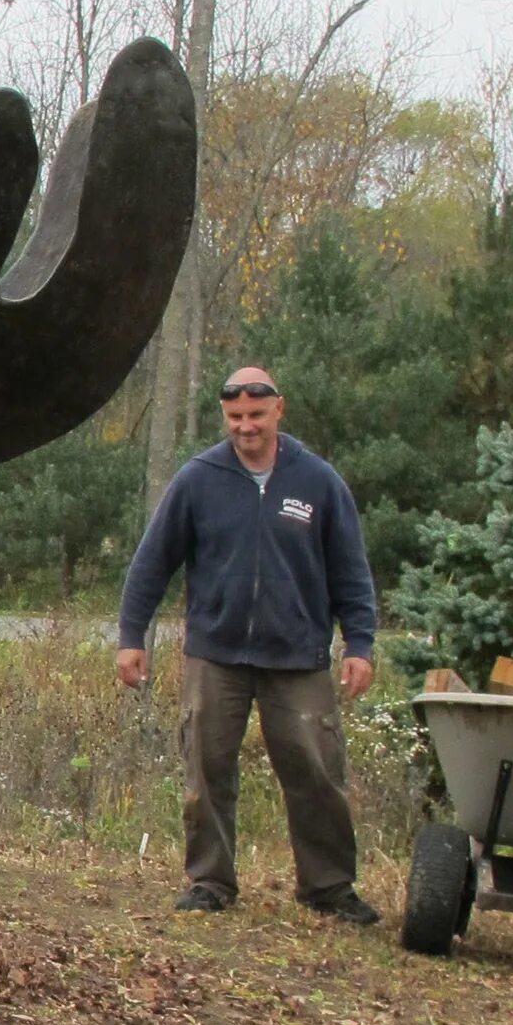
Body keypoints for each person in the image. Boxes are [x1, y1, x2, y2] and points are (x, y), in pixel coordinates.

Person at [117, 364, 380, 921]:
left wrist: (359, 644)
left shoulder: (318, 482)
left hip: (298, 655)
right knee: (207, 769)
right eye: (235, 417)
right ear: (225, 417)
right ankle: (211, 882)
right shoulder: (198, 478)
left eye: (256, 415)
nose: (245, 427)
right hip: (216, 653)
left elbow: (351, 571)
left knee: (317, 772)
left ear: (278, 410)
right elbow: (151, 565)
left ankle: (328, 888)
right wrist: (130, 637)